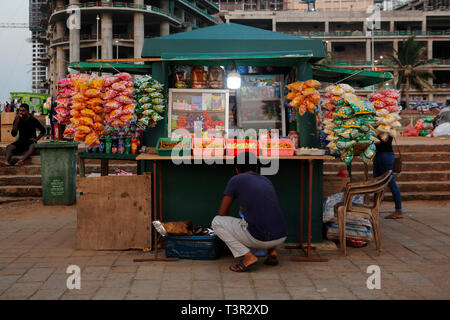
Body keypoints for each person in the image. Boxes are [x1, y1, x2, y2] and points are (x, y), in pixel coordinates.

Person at [211, 152, 288, 272]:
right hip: (281, 236)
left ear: (237, 169)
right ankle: (272, 252)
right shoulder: (266, 180)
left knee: (217, 222)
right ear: (257, 168)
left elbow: (222, 212)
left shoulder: (236, 180)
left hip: (260, 239)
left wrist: (231, 235)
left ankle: (248, 257)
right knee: (264, 218)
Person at [373, 136, 403, 219]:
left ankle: (398, 210)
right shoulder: (380, 125)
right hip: (378, 155)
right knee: (377, 182)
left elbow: (383, 140)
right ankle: (375, 208)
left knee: (391, 182)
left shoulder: (387, 125)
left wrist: (370, 139)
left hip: (385, 156)